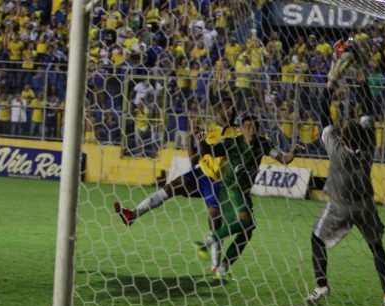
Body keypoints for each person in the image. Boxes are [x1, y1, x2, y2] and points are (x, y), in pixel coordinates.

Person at [305, 78, 385, 306]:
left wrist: (329, 88)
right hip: (366, 205)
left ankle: (322, 285)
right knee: (376, 246)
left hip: (340, 206)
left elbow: (323, 116)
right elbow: (367, 110)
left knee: (317, 239)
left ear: (343, 138)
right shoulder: (368, 147)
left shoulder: (336, 150)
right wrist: (362, 84)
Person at [193, 114, 301, 280]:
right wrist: (200, 139)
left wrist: (292, 151)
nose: (252, 130)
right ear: (241, 129)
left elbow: (284, 159)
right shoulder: (231, 143)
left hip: (243, 191)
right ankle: (207, 242)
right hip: (230, 188)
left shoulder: (263, 143)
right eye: (248, 126)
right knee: (247, 222)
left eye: (255, 126)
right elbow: (208, 151)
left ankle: (223, 267)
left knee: (248, 231)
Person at [114, 97, 240, 234]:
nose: (231, 110)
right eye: (227, 107)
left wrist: (202, 141)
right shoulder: (209, 132)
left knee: (214, 218)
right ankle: (132, 215)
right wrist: (192, 135)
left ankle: (215, 252)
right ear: (218, 112)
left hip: (218, 181)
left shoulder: (239, 133)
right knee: (170, 187)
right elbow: (193, 160)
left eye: (233, 108)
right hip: (200, 174)